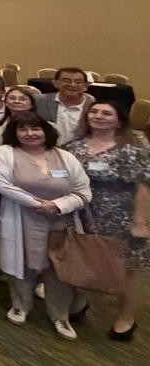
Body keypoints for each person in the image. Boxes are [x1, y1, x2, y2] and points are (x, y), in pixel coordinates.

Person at [0, 112, 92, 339]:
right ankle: (20, 305)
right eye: (23, 129)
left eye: (35, 129)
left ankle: (60, 315)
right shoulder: (5, 153)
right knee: (23, 264)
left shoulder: (65, 157)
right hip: (22, 218)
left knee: (59, 270)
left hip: (60, 221)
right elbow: (3, 185)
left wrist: (57, 205)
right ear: (14, 133)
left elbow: (83, 191)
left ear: (45, 131)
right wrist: (38, 204)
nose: (30, 134)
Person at [66, 102, 150, 341]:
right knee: (82, 260)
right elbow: (60, 174)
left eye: (106, 113)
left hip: (122, 218)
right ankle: (80, 302)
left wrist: (141, 222)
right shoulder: (75, 147)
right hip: (82, 214)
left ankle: (126, 318)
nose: (99, 116)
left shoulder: (132, 149)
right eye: (94, 112)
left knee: (127, 273)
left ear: (119, 120)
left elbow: (144, 186)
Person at [38, 67, 95, 146]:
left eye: (78, 82)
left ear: (86, 86)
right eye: (66, 81)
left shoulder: (93, 107)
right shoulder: (40, 101)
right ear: (55, 83)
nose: (72, 84)